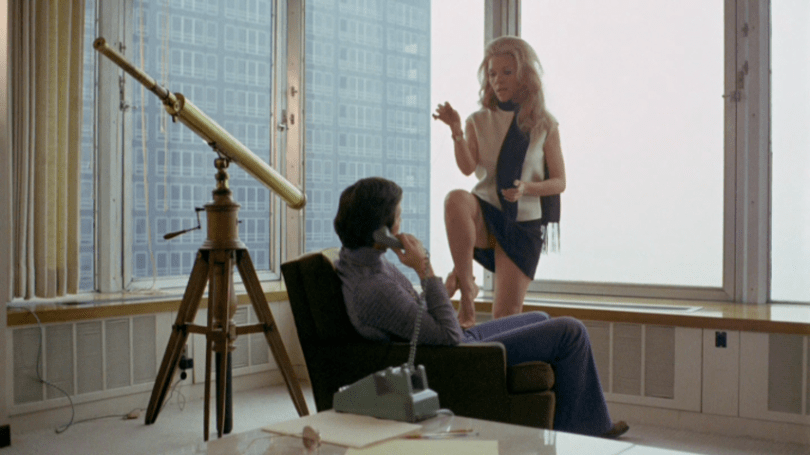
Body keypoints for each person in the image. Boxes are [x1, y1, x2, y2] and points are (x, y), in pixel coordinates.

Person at [332, 177, 628, 438]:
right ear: (379, 231)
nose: (401, 223)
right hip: (456, 356)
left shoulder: (363, 262)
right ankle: (582, 432)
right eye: (398, 217)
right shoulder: (374, 287)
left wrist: (440, 291)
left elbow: (411, 315)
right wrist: (426, 270)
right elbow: (449, 336)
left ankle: (576, 423)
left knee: (540, 317)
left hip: (450, 343)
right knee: (571, 331)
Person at [433, 36, 564, 329]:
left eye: (507, 72)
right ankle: (467, 292)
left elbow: (559, 182)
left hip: (522, 224)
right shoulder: (478, 120)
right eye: (492, 74)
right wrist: (456, 131)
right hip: (487, 214)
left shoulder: (544, 124)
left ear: (524, 75)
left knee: (505, 316)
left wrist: (526, 188)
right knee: (456, 198)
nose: (498, 80)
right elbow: (468, 167)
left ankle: (460, 279)